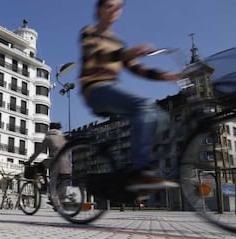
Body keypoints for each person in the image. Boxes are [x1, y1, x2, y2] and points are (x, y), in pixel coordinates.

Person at [79, 0, 180, 191]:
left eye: (118, 7)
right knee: (143, 105)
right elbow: (96, 56)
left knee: (161, 117)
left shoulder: (117, 42)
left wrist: (164, 75)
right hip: (94, 89)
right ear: (99, 10)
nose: (114, 10)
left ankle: (133, 167)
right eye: (109, 5)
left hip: (110, 90)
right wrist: (125, 53)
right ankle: (139, 169)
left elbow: (136, 68)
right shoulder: (90, 32)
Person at [26, 122, 71, 204]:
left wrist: (30, 161)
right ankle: (60, 202)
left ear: (50, 129)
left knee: (40, 168)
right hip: (67, 164)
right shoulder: (63, 138)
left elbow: (38, 151)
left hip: (54, 161)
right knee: (62, 182)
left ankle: (44, 185)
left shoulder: (49, 137)